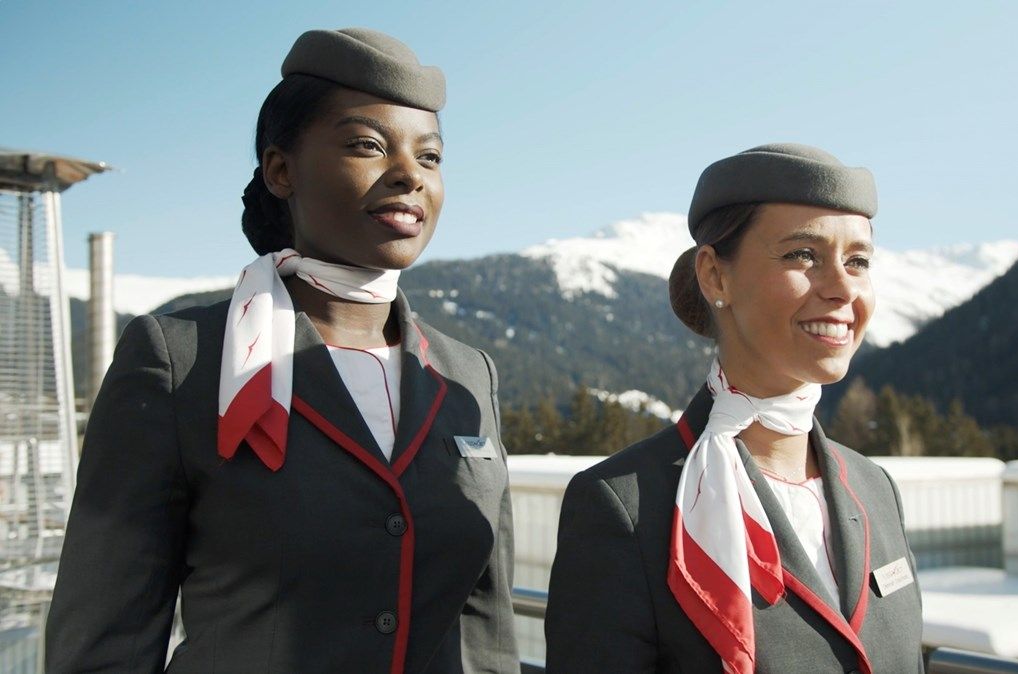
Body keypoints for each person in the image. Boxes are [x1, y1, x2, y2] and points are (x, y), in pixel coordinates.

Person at [46, 28, 519, 674]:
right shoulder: (179, 360)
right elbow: (102, 642)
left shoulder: (468, 377)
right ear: (280, 169)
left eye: (430, 157)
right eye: (367, 145)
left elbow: (486, 636)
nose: (409, 174)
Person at [544, 144, 924, 673]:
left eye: (858, 261)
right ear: (716, 276)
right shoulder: (625, 507)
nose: (841, 288)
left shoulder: (874, 487)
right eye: (802, 255)